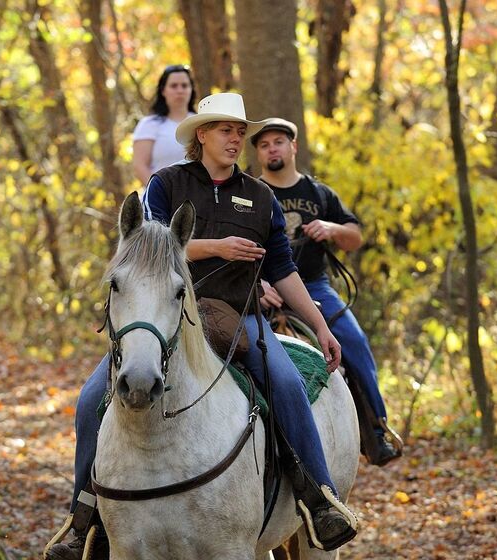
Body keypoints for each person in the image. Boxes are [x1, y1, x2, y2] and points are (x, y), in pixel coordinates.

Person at [46, 94, 357, 560]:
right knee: (92, 398)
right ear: (201, 135)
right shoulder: (166, 185)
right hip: (167, 314)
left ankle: (318, 500)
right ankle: (82, 519)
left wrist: (321, 326)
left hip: (240, 315)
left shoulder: (261, 197)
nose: (236, 139)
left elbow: (284, 269)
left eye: (239, 131)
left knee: (289, 385)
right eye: (225, 130)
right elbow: (147, 247)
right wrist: (217, 247)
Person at [252, 118, 402, 467]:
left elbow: (355, 237)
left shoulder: (318, 193)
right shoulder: (251, 193)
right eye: (264, 144)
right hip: (263, 289)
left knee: (354, 340)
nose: (272, 148)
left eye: (278, 141)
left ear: (293, 147)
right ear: (258, 153)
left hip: (314, 286)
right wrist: (256, 284)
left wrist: (332, 228)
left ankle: (376, 430)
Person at [131, 64, 196, 185]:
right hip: (158, 198)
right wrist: (159, 192)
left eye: (185, 85)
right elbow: (140, 166)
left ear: (191, 89)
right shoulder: (149, 124)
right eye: (173, 86)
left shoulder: (201, 123)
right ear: (163, 91)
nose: (180, 90)